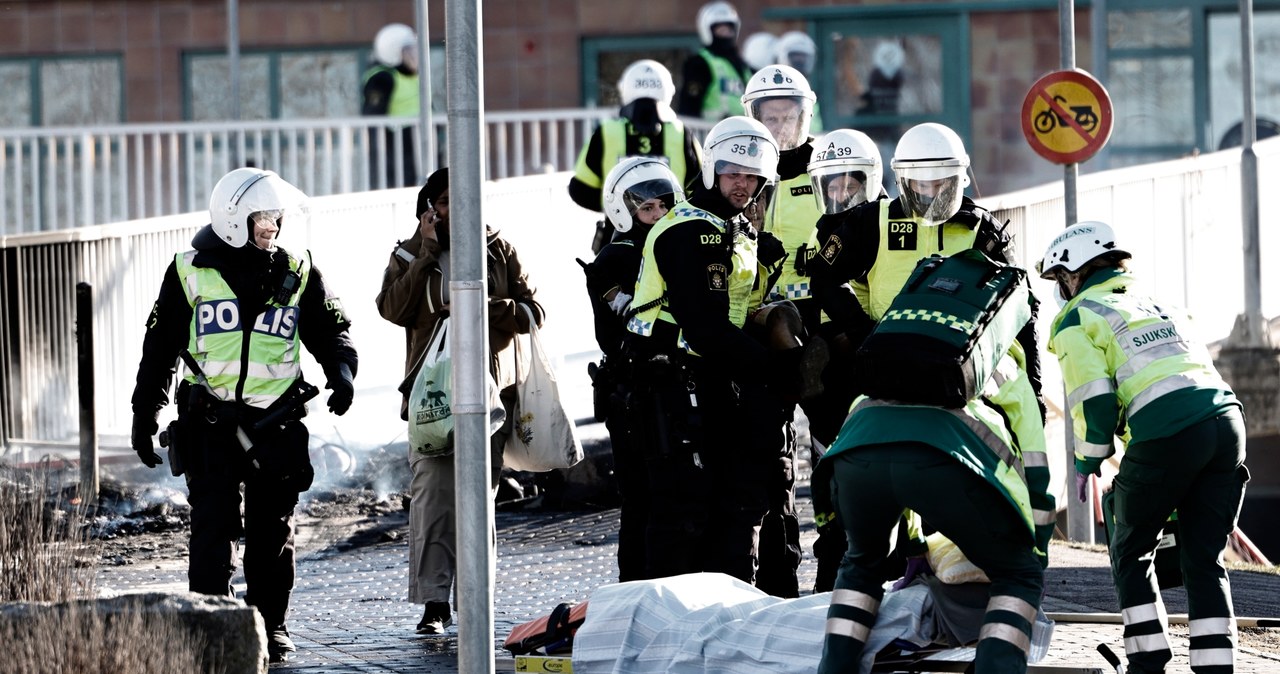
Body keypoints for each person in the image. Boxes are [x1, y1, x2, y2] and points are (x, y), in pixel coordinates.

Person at [129, 167, 358, 664]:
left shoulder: (297, 270)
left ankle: (270, 627)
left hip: (276, 424)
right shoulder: (189, 271)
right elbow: (159, 350)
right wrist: (144, 413)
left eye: (276, 217)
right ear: (235, 219)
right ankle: (212, 627)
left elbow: (330, 330)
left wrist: (342, 372)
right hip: (208, 425)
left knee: (272, 533)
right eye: (264, 217)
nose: (273, 226)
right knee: (213, 530)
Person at [625, 115, 826, 587]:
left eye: (753, 176)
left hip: (713, 378)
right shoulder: (688, 231)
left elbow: (742, 310)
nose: (743, 183)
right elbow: (704, 327)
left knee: (732, 506)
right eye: (734, 172)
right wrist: (777, 369)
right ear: (714, 168)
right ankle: (667, 625)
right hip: (671, 382)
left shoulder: (736, 228)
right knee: (682, 512)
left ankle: (726, 616)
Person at [1039, 220, 1248, 674]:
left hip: (1168, 432)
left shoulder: (1077, 316)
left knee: (1131, 548)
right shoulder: (1161, 302)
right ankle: (1217, 667)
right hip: (1228, 424)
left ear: (1075, 271)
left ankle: (1148, 662)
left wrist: (1086, 460)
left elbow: (1092, 398)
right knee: (1204, 558)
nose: (1061, 288)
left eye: (1059, 278)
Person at [817, 338, 1054, 673]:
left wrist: (914, 543)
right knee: (1018, 576)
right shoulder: (1002, 355)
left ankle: (834, 668)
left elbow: (901, 473)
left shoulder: (904, 340)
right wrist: (1037, 549)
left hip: (858, 443)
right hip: (945, 452)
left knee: (861, 564)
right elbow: (1033, 457)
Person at [375, 167, 544, 635]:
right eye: (446, 201)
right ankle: (433, 604)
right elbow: (392, 308)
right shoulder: (409, 253)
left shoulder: (499, 250)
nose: (456, 209)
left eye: (464, 198)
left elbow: (534, 312)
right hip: (431, 395)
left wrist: (484, 307)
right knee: (431, 497)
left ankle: (475, 597)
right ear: (429, 207)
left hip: (490, 394)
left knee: (478, 498)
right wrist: (427, 253)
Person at [807, 122, 1045, 415]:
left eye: (940, 184)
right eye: (921, 185)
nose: (931, 195)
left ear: (959, 180)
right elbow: (823, 276)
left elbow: (1024, 309)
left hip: (962, 371)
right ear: (904, 181)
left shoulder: (983, 230)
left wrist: (1035, 391)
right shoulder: (872, 221)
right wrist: (861, 330)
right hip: (886, 365)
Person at [739, 63, 822, 597]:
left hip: (820, 324)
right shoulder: (742, 176)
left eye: (787, 119)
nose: (779, 130)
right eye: (769, 120)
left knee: (833, 449)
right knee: (771, 459)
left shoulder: (828, 168)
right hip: (760, 330)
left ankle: (841, 569)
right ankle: (777, 577)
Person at [581, 157, 685, 582]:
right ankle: (636, 592)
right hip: (635, 396)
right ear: (624, 212)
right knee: (642, 501)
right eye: (647, 209)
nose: (657, 215)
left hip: (674, 388)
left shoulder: (677, 244)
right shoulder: (614, 260)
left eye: (664, 206)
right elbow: (630, 325)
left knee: (676, 498)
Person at [802, 128, 888, 593]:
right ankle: (832, 567)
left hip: (878, 359)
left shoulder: (882, 223)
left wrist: (859, 332)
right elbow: (825, 280)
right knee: (831, 465)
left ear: (869, 181)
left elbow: (826, 280)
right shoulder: (833, 229)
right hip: (849, 364)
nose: (839, 195)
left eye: (848, 185)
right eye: (831, 186)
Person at [568, 59, 702, 252]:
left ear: (625, 90)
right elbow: (700, 188)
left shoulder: (607, 132)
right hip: (674, 240)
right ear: (668, 91)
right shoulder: (681, 133)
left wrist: (619, 207)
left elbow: (580, 189)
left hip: (616, 242)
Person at [362, 23, 421, 188]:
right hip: (397, 148)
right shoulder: (382, 78)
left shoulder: (414, 76)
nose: (415, 55)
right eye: (408, 50)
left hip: (417, 144)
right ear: (393, 52)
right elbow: (373, 118)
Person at [675, 1, 753, 120]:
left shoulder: (744, 67)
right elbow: (689, 107)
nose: (726, 34)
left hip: (744, 134)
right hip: (711, 134)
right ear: (708, 31)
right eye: (720, 30)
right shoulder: (699, 64)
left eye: (729, 30)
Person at [773, 30, 824, 133]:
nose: (800, 62)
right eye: (795, 57)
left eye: (804, 58)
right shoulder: (773, 89)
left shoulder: (809, 88)